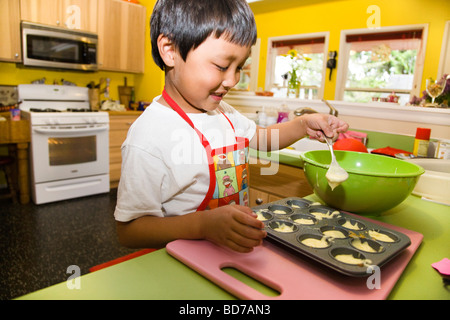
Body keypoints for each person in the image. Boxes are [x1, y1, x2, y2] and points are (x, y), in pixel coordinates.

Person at [114, 0, 348, 253]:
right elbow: (130, 230)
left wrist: (303, 124)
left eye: (240, 67)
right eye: (222, 66)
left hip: (230, 252)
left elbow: (263, 139)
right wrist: (202, 226)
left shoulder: (223, 113)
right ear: (169, 50)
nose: (232, 80)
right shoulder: (148, 136)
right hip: (181, 260)